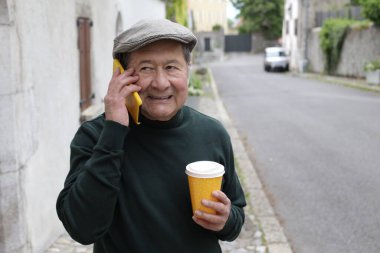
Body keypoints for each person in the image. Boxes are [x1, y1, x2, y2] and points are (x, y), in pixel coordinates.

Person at [56, 18, 246, 253]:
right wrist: (114, 131)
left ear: (187, 70)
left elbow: (236, 215)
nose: (160, 83)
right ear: (121, 74)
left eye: (171, 67)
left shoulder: (212, 133)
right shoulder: (95, 136)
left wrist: (226, 220)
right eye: (146, 68)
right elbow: (82, 228)